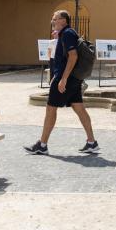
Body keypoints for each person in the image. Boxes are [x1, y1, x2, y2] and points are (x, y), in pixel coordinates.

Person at [24, 10, 98, 155]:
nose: (53, 21)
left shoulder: (67, 33)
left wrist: (63, 79)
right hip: (74, 77)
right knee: (79, 107)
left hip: (67, 77)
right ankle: (92, 142)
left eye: (55, 19)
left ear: (63, 20)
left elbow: (73, 56)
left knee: (51, 108)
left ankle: (42, 145)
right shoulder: (67, 33)